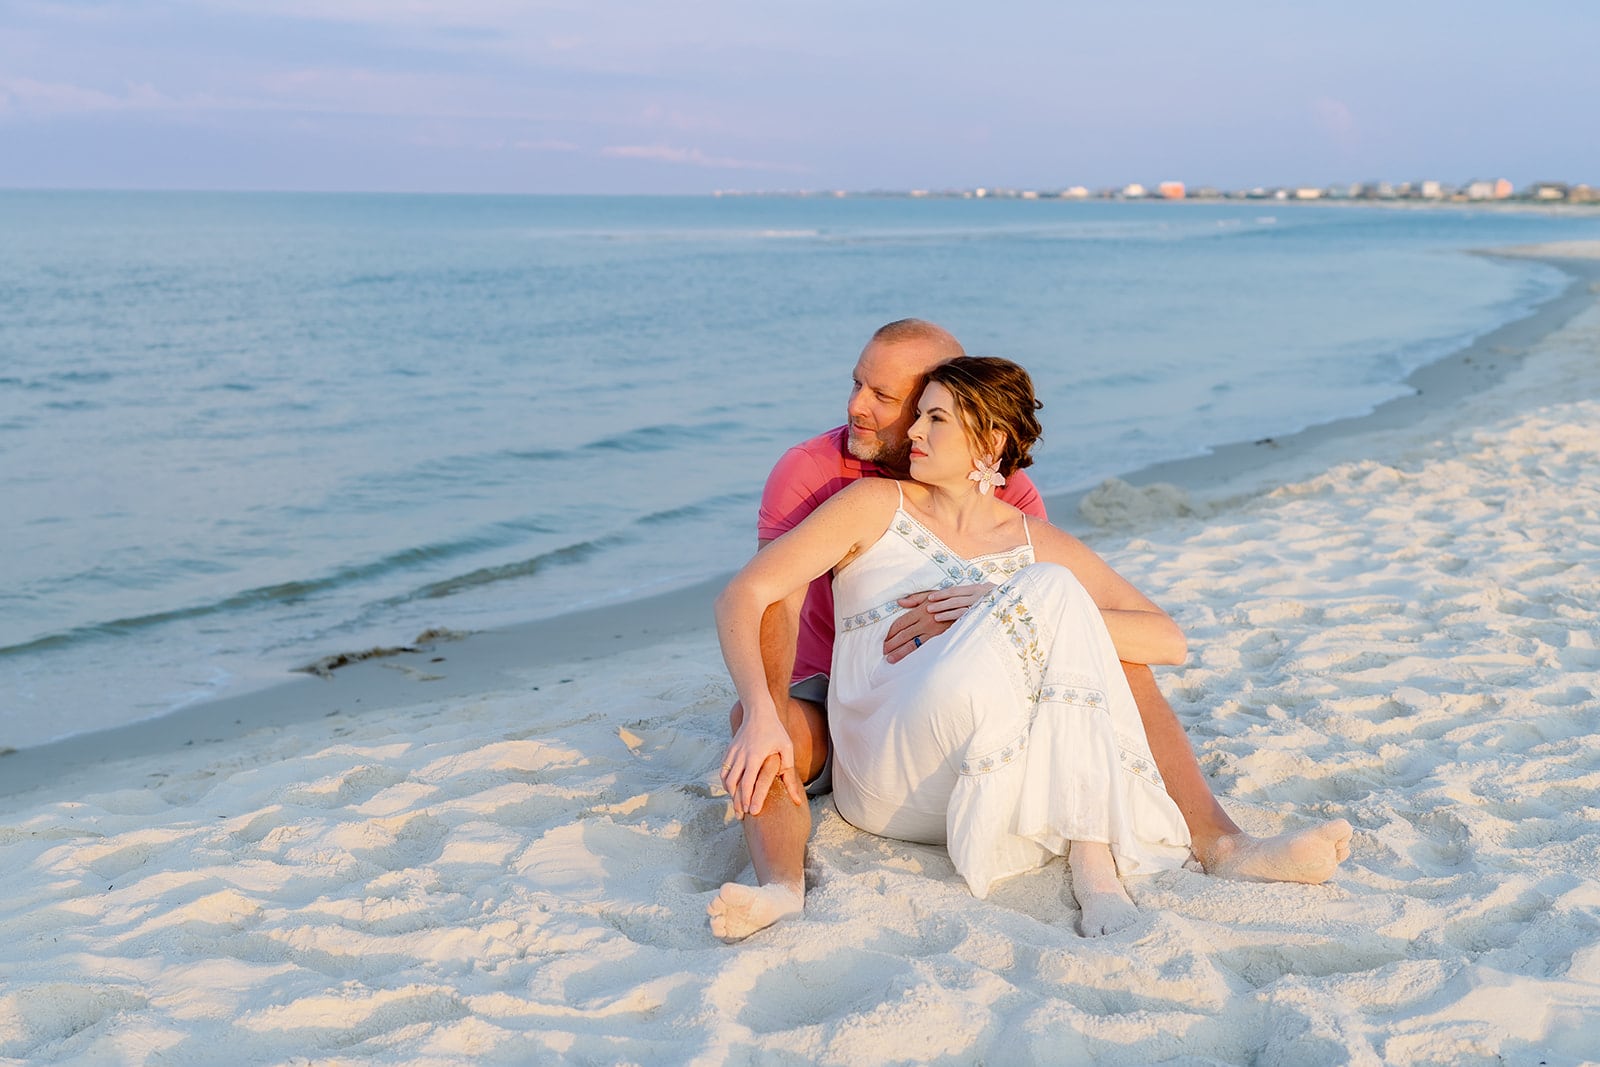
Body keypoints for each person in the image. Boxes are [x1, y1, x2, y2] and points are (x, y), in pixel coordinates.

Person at [708, 321, 1352, 942]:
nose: (868, 411)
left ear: (986, 443)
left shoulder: (1028, 534)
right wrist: (765, 711)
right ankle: (783, 891)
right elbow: (753, 594)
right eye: (917, 412)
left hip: (994, 781)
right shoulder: (865, 501)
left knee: (1080, 620)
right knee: (1056, 602)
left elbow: (1169, 639)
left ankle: (1208, 845)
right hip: (884, 755)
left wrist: (988, 603)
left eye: (930, 414)